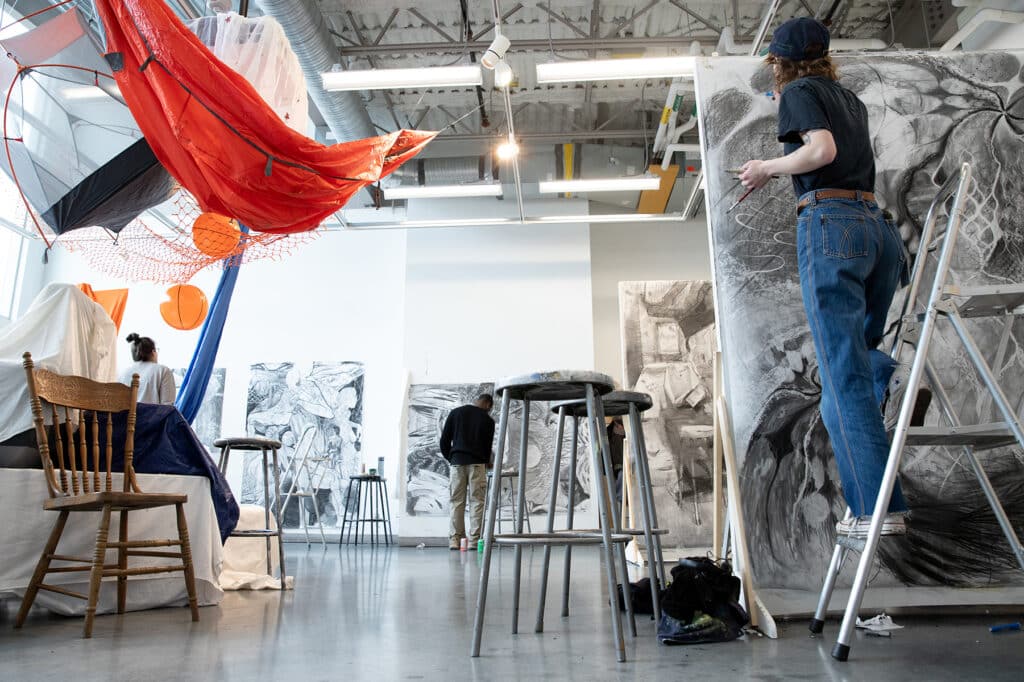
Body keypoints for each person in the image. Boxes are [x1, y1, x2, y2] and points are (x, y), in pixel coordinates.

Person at [739, 17, 908, 539]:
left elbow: (822, 152)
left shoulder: (798, 91)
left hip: (832, 225)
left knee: (841, 379)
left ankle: (879, 510)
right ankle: (883, 374)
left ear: (779, 62)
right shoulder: (847, 98)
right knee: (857, 360)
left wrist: (766, 166)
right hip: (876, 232)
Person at [440, 394, 495, 551]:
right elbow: (487, 448)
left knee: (456, 502)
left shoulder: (456, 413)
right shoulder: (488, 421)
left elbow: (444, 441)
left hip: (457, 463)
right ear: (488, 404)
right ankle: (474, 541)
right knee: (477, 502)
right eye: (490, 408)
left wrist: (452, 458)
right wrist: (486, 462)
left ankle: (455, 540)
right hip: (477, 465)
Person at [120, 333, 176, 405]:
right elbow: (168, 406)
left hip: (124, 416)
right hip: (152, 416)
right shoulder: (163, 371)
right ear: (153, 352)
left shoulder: (123, 373)